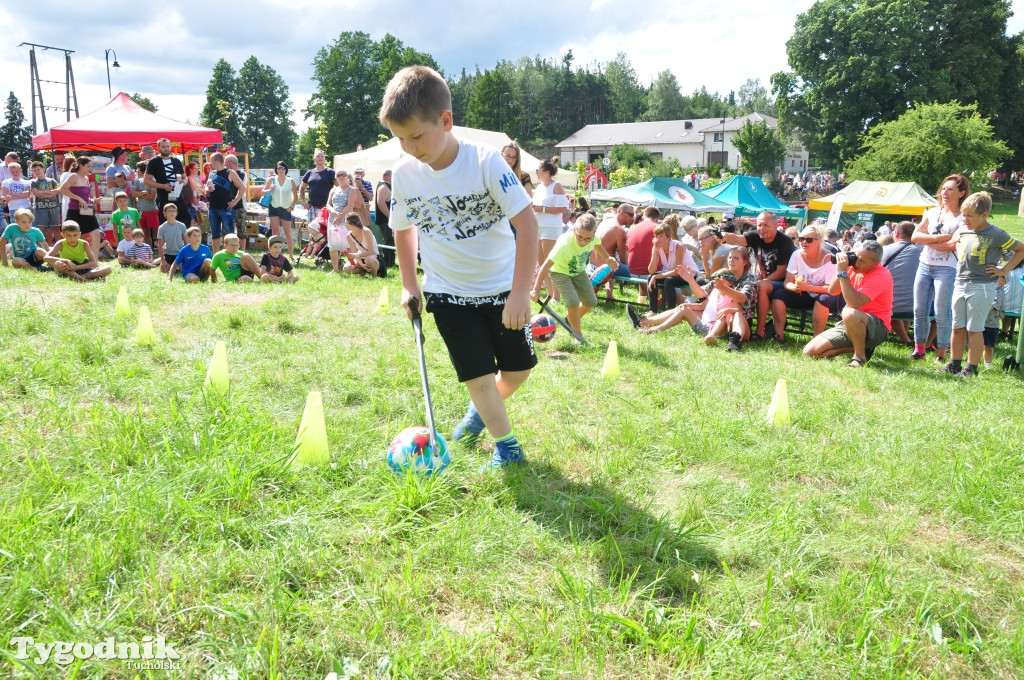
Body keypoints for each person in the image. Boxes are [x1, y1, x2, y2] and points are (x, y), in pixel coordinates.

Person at [380, 64, 539, 470]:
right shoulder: (404, 175)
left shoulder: (486, 162)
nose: (410, 148)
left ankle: (478, 415)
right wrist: (408, 284)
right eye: (400, 139)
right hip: (447, 292)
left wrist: (520, 293)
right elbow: (403, 230)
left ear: (446, 120)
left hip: (503, 289)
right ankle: (508, 448)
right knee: (478, 376)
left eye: (416, 136)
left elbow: (527, 223)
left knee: (517, 370)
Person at [941, 192, 1024, 377]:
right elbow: (957, 244)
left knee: (974, 328)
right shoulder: (963, 229)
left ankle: (972, 367)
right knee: (957, 326)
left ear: (984, 214)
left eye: (970, 216)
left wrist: (1003, 270)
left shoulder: (996, 233)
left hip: (982, 286)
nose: (965, 219)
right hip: (960, 282)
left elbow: (1021, 249)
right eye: (964, 215)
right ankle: (954, 363)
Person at [631, 247, 757, 352]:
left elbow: (742, 299)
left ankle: (730, 340)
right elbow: (702, 295)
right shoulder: (723, 276)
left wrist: (724, 288)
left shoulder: (748, 279)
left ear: (745, 262)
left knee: (728, 315)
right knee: (682, 308)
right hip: (714, 317)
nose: (731, 260)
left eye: (736, 258)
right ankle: (644, 322)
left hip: (735, 322)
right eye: (730, 257)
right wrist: (690, 280)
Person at [802, 241, 893, 368]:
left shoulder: (882, 275)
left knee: (849, 312)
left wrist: (843, 273)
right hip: (851, 322)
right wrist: (841, 269)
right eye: (856, 257)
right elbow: (832, 291)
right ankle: (861, 347)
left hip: (877, 327)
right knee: (809, 352)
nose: (856, 262)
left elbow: (853, 303)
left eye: (861, 261)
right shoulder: (851, 267)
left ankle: (859, 357)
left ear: (875, 263)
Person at [909, 174, 968, 363]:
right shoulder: (932, 212)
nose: (945, 192)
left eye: (950, 189)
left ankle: (941, 354)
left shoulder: (963, 219)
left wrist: (928, 240)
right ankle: (919, 350)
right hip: (925, 265)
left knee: (942, 312)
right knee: (919, 309)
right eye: (943, 188)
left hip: (947, 268)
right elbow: (914, 237)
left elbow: (952, 245)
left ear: (962, 193)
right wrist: (941, 238)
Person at [530, 213, 617, 336]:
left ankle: (570, 319)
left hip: (578, 271)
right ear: (575, 230)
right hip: (559, 272)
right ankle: (577, 335)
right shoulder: (564, 244)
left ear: (593, 234)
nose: (583, 242)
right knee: (573, 302)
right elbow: (545, 266)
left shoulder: (593, 239)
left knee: (591, 302)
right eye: (579, 237)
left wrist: (608, 259)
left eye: (588, 239)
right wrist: (536, 289)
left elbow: (597, 245)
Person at [720, 210, 796, 340]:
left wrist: (761, 282)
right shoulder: (756, 236)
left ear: (775, 226)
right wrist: (723, 236)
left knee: (760, 286)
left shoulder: (785, 241)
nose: (762, 228)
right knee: (743, 286)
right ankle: (738, 324)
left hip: (783, 283)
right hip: (761, 280)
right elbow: (738, 239)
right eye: (759, 225)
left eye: (766, 225)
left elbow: (781, 271)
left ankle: (760, 331)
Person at [769, 224, 838, 341]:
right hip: (804, 293)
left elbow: (831, 289)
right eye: (801, 239)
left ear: (819, 242)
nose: (803, 242)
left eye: (809, 239)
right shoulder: (796, 255)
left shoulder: (829, 258)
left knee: (823, 300)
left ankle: (816, 340)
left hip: (824, 295)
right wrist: (795, 287)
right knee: (778, 295)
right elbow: (787, 282)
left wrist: (808, 287)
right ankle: (778, 335)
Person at [882, 221, 924, 344]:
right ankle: (925, 343)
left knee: (892, 296)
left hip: (893, 305)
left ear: (896, 233)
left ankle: (905, 339)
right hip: (923, 308)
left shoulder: (884, 250)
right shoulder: (926, 252)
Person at [533, 157, 569, 301]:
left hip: (551, 227)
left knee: (551, 262)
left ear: (547, 172)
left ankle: (557, 296)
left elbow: (563, 208)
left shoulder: (557, 186)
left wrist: (542, 209)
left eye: (538, 170)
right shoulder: (540, 187)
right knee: (542, 263)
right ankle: (550, 293)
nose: (536, 173)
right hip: (538, 227)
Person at [647, 221, 698, 313]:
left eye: (661, 236)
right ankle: (653, 311)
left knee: (669, 281)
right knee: (650, 277)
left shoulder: (679, 246)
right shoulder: (657, 247)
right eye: (656, 236)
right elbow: (651, 271)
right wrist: (654, 253)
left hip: (689, 274)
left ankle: (670, 312)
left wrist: (656, 276)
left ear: (668, 237)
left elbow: (676, 271)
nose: (657, 239)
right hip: (676, 274)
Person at [59, 156, 103, 257]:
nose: (90, 169)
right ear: (80, 166)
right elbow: (62, 189)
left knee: (96, 234)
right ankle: (73, 258)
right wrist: (79, 198)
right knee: (74, 236)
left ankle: (94, 262)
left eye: (91, 166)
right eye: (88, 166)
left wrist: (92, 200)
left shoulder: (86, 178)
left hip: (87, 210)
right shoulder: (74, 176)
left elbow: (85, 197)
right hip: (74, 211)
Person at [204, 152, 247, 254]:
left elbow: (242, 187)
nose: (210, 163)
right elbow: (206, 188)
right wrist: (208, 188)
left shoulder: (230, 172)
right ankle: (215, 256)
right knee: (215, 233)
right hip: (213, 207)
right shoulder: (212, 173)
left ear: (217, 161)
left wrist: (235, 202)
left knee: (230, 233)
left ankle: (232, 254)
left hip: (226, 208)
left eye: (212, 161)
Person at [589, 202, 633, 300]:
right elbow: (623, 257)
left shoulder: (604, 222)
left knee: (612, 261)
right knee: (634, 270)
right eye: (630, 215)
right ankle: (644, 296)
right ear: (621, 213)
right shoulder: (619, 230)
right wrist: (628, 269)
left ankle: (609, 294)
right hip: (605, 268)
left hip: (592, 265)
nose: (632, 218)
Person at [44, 220, 112, 281]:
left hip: (83, 268)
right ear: (63, 235)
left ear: (79, 234)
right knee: (57, 264)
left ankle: (80, 277)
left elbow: (93, 263)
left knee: (108, 269)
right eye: (69, 235)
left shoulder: (84, 243)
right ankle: (81, 278)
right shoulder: (61, 243)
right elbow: (46, 257)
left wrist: (77, 267)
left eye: (75, 235)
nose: (72, 239)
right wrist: (66, 260)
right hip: (67, 268)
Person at [325, 169, 361, 273]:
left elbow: (350, 205)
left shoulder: (352, 190)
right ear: (336, 177)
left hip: (346, 222)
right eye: (339, 175)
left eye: (343, 174)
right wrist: (333, 212)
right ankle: (335, 269)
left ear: (347, 177)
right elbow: (328, 204)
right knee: (333, 246)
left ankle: (352, 267)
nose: (341, 177)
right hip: (332, 221)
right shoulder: (333, 190)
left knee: (348, 245)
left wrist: (339, 217)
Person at [144, 138, 187, 221]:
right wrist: (162, 186)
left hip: (179, 197)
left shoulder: (176, 161)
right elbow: (146, 181)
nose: (166, 148)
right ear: (158, 148)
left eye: (168, 146)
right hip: (164, 198)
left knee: (184, 221)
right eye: (163, 147)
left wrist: (184, 182)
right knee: (166, 223)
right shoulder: (154, 162)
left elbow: (185, 177)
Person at [262, 161, 298, 256]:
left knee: (288, 233)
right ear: (276, 170)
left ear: (286, 170)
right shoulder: (271, 179)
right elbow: (263, 192)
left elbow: (295, 196)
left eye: (283, 168)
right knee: (275, 233)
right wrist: (270, 189)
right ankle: (274, 254)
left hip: (286, 209)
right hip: (273, 207)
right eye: (279, 168)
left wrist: (292, 207)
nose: (281, 170)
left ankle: (291, 255)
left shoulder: (291, 181)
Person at [626, 206, 659, 295]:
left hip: (632, 270)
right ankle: (676, 302)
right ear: (657, 219)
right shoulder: (658, 228)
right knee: (672, 271)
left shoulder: (632, 228)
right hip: (649, 272)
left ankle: (642, 300)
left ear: (643, 217)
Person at [299, 148, 336, 227]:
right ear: (314, 159)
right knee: (313, 234)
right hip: (312, 208)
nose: (320, 158)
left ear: (324, 159)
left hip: (326, 209)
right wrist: (303, 201)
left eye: (322, 156)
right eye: (318, 156)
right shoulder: (309, 173)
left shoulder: (330, 172)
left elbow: (339, 187)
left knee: (325, 233)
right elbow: (302, 188)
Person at [29, 161, 62, 245]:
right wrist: (50, 193)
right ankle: (39, 250)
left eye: (38, 169)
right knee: (41, 229)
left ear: (43, 169)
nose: (37, 172)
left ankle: (59, 249)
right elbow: (36, 193)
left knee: (56, 228)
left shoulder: (52, 180)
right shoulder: (33, 182)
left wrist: (43, 193)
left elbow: (57, 190)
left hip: (54, 207)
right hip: (40, 209)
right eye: (34, 170)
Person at [342, 212, 379, 277]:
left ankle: (374, 277)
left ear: (353, 224)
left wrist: (356, 255)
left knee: (369, 259)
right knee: (346, 268)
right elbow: (354, 253)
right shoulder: (349, 235)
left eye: (346, 223)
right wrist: (362, 264)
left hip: (373, 257)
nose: (345, 224)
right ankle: (363, 271)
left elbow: (371, 251)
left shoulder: (366, 231)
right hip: (360, 257)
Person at [132, 161, 159, 247]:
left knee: (157, 233)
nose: (136, 170)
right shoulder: (137, 181)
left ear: (142, 170)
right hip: (141, 211)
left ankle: (161, 250)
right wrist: (144, 193)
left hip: (151, 210)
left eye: (138, 169)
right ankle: (149, 250)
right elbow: (133, 194)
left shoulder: (152, 180)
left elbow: (152, 196)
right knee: (145, 232)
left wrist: (139, 194)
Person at [156, 203, 188, 273]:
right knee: (164, 270)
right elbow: (160, 245)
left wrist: (185, 255)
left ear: (176, 213)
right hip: (168, 253)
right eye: (170, 211)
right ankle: (162, 262)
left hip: (179, 253)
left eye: (174, 211)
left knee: (183, 270)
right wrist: (163, 261)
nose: (172, 213)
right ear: (165, 213)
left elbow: (186, 242)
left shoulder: (182, 226)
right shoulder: (162, 228)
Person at [224, 154, 248, 245]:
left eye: (226, 162)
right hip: (228, 205)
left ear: (231, 163)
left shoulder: (242, 174)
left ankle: (242, 251)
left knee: (241, 230)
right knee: (227, 230)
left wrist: (235, 201)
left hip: (240, 205)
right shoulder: (226, 173)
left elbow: (240, 187)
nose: (225, 164)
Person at [375, 169, 394, 268]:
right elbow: (380, 203)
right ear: (389, 176)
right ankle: (387, 263)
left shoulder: (386, 186)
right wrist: (390, 216)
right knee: (388, 241)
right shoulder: (383, 187)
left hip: (387, 220)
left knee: (390, 241)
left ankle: (391, 262)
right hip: (385, 220)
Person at [352, 166, 374, 230]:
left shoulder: (367, 183)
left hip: (364, 209)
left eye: (360, 173)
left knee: (365, 228)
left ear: (363, 174)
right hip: (353, 208)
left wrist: (362, 188)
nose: (358, 175)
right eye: (356, 173)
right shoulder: (350, 182)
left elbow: (371, 198)